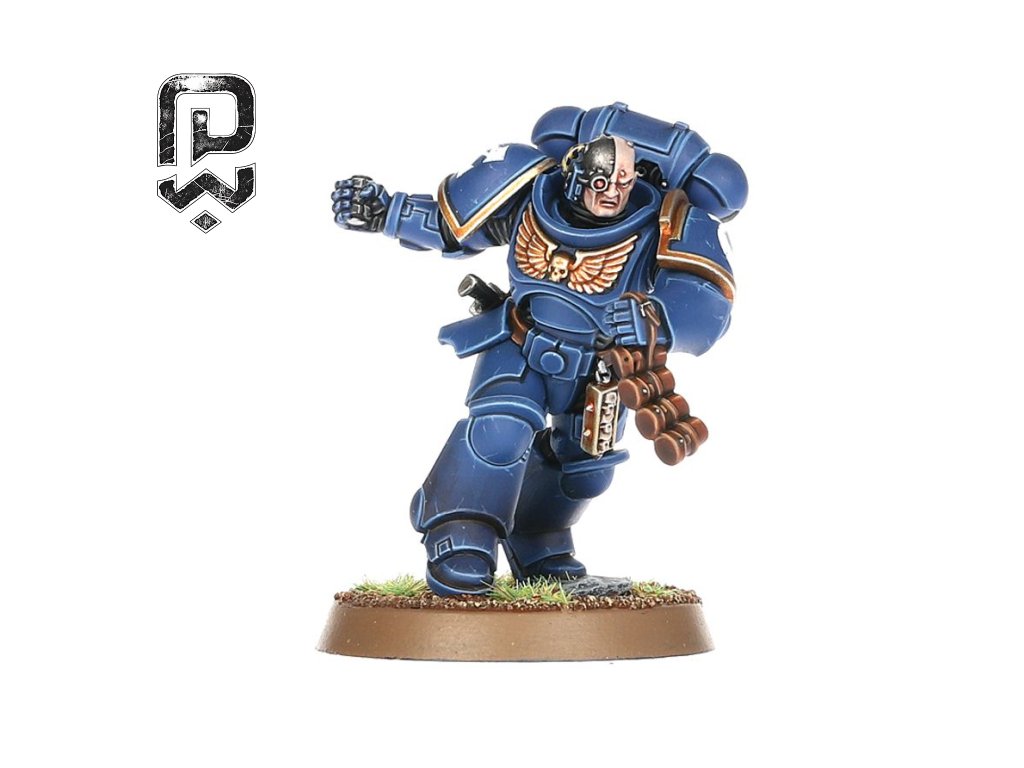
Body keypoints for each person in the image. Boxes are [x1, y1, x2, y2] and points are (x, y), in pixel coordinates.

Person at [332, 104, 746, 595]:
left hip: (599, 368)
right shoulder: (531, 194)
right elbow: (453, 226)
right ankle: (459, 532)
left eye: (624, 181)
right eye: (601, 181)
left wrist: (655, 317)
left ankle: (539, 543)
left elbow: (707, 299)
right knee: (499, 432)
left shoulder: (664, 222)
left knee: (585, 469)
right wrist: (387, 212)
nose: (613, 192)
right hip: (521, 344)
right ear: (573, 170)